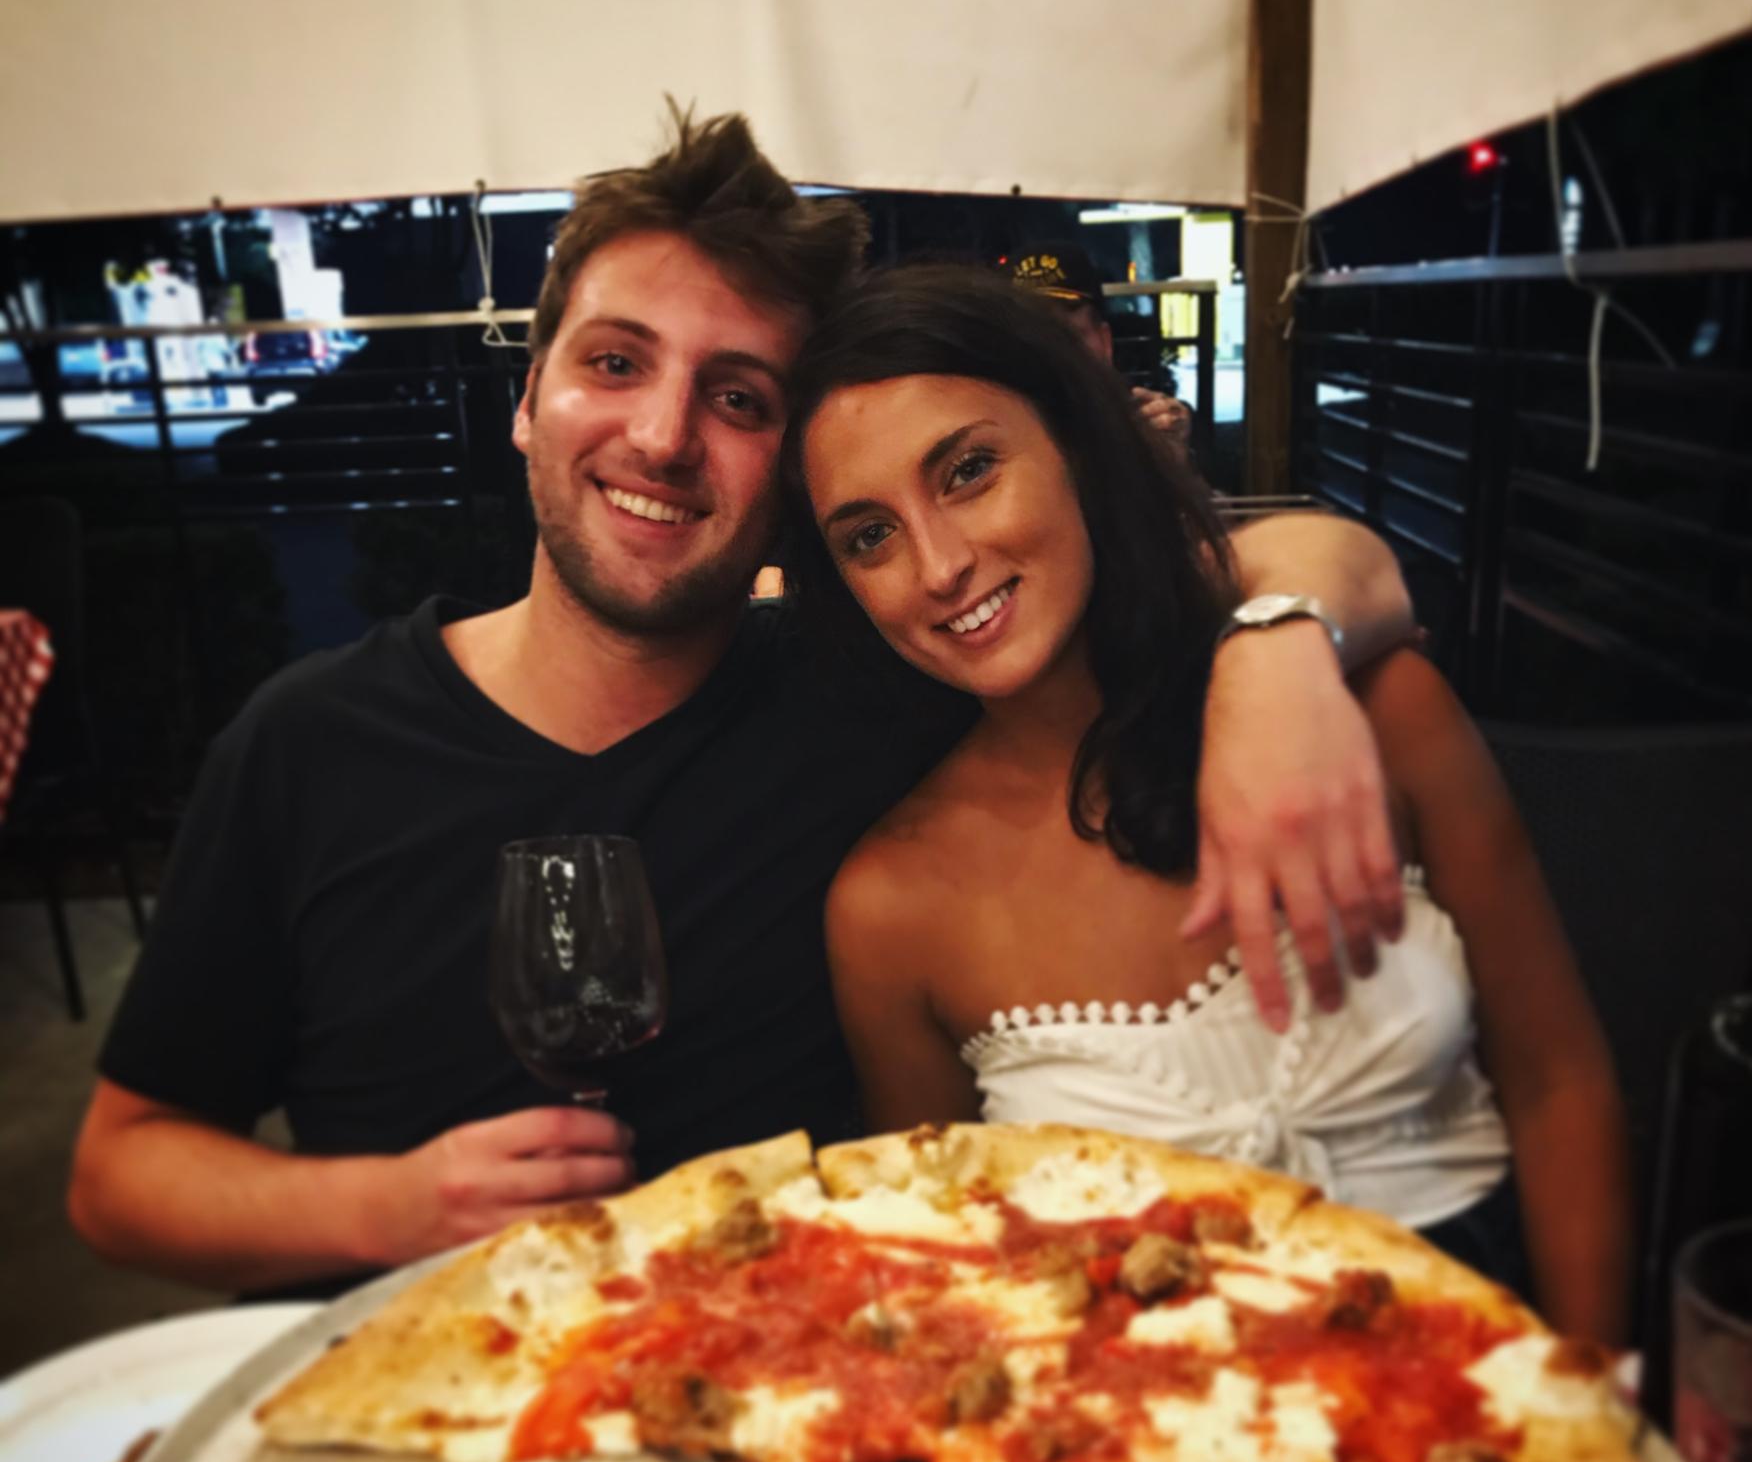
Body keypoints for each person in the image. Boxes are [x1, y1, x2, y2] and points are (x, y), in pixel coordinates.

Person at [68, 111, 1417, 1295]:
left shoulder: (881, 687)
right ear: (529, 400)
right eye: (615, 364)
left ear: (795, 479)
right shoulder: (310, 745)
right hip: (410, 1413)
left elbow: (1284, 561)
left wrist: (1276, 654)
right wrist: (391, 1208)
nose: (663, 437)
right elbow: (121, 1176)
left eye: (737, 397)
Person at [780, 265, 1631, 1342]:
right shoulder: (889, 906)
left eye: (969, 471)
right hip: (1137, 1424)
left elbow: (1558, 1083)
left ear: (1077, 445)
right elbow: (947, 1263)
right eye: (869, 536)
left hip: (1487, 1384)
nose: (939, 566)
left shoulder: (1375, 711)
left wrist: (1591, 1392)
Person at [1010, 243, 1193, 454]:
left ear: (1104, 341)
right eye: (1033, 341)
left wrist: (1174, 457)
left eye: (1071, 337)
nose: (1055, 355)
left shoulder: (1152, 423)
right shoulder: (998, 439)